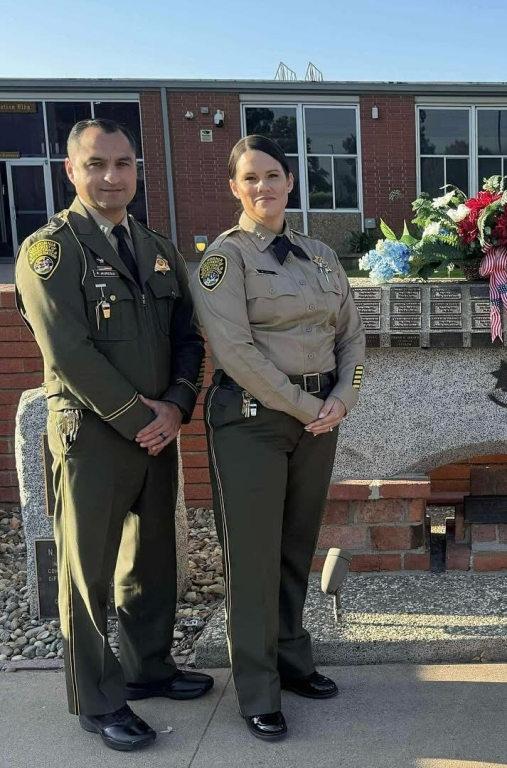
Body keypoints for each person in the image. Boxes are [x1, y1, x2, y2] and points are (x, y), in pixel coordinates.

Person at [14, 119, 212, 752]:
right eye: (96, 164)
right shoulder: (50, 250)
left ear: (137, 170)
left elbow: (188, 334)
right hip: (93, 435)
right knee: (88, 574)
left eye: (123, 164)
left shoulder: (156, 246)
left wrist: (179, 405)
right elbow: (66, 349)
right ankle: (99, 700)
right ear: (70, 171)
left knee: (152, 561)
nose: (111, 177)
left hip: (159, 429)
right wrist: (139, 417)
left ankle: (148, 667)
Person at [191, 135, 366, 741]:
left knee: (296, 547)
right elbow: (234, 350)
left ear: (291, 181)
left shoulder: (320, 254)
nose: (263, 187)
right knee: (254, 558)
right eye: (250, 178)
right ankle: (258, 689)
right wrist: (305, 405)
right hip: (253, 422)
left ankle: (293, 661)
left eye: (273, 175)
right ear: (235, 189)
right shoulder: (225, 258)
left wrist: (344, 396)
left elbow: (352, 334)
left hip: (319, 418)